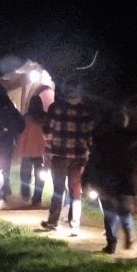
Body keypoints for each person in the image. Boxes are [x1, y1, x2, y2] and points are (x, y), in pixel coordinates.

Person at [86, 107, 137, 254]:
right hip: (125, 180)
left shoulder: (102, 138)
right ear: (125, 123)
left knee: (109, 213)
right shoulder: (132, 139)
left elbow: (93, 160)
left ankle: (111, 243)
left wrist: (88, 178)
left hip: (105, 180)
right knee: (124, 210)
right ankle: (129, 232)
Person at [40, 79, 97, 233]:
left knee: (58, 189)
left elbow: (46, 132)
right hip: (79, 156)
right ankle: (75, 224)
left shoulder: (55, 108)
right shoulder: (86, 111)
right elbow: (90, 136)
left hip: (59, 154)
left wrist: (51, 141)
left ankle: (53, 222)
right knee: (76, 189)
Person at [15, 86, 52, 208]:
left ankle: (25, 195)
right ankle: (37, 198)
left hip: (27, 152)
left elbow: (22, 136)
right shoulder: (45, 118)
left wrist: (19, 151)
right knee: (40, 177)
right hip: (41, 153)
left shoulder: (26, 118)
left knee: (25, 175)